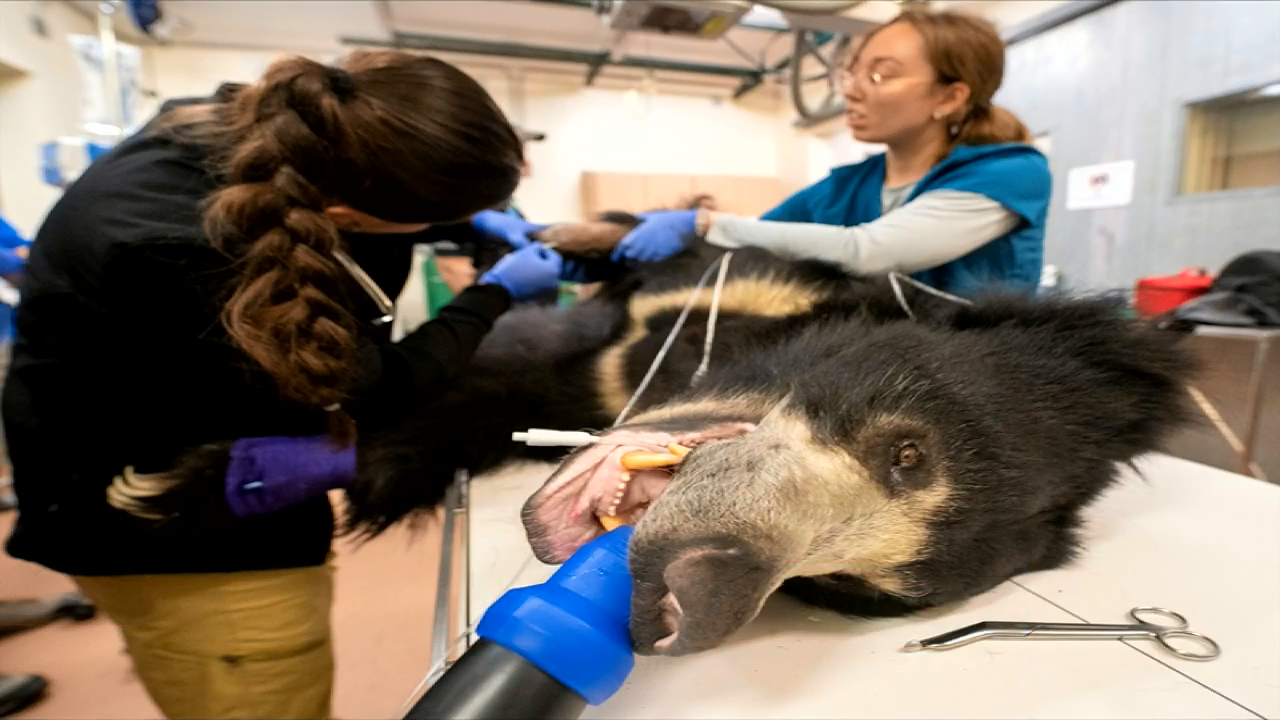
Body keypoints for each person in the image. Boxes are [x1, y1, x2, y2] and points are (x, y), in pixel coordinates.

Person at [2, 51, 565, 719]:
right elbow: (371, 388)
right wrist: (491, 296)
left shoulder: (262, 127)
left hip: (195, 486)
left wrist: (464, 222)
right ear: (346, 212)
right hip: (186, 540)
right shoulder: (183, 251)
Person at [609, 10, 1052, 296]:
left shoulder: (1011, 173)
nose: (852, 90)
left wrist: (708, 222)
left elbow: (870, 251)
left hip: (980, 388)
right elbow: (755, 239)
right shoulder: (847, 186)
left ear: (949, 98)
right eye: (851, 71)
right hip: (869, 377)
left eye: (880, 75)